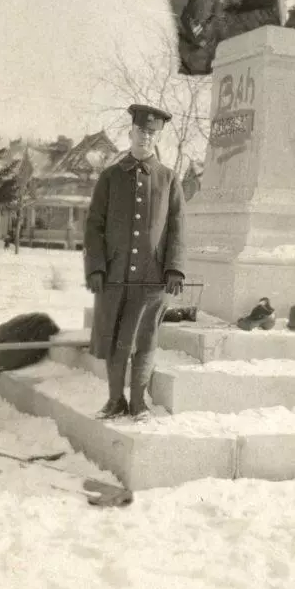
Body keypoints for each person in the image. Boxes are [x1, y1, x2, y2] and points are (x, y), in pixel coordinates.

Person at [84, 104, 187, 421]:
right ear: (130, 133)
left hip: (151, 278)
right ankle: (115, 401)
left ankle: (139, 403)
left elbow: (177, 227)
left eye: (152, 133)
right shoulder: (110, 177)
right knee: (114, 339)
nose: (146, 137)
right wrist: (96, 267)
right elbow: (94, 226)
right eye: (141, 131)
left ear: (158, 138)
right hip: (114, 277)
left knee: (144, 340)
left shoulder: (168, 179)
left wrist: (174, 268)